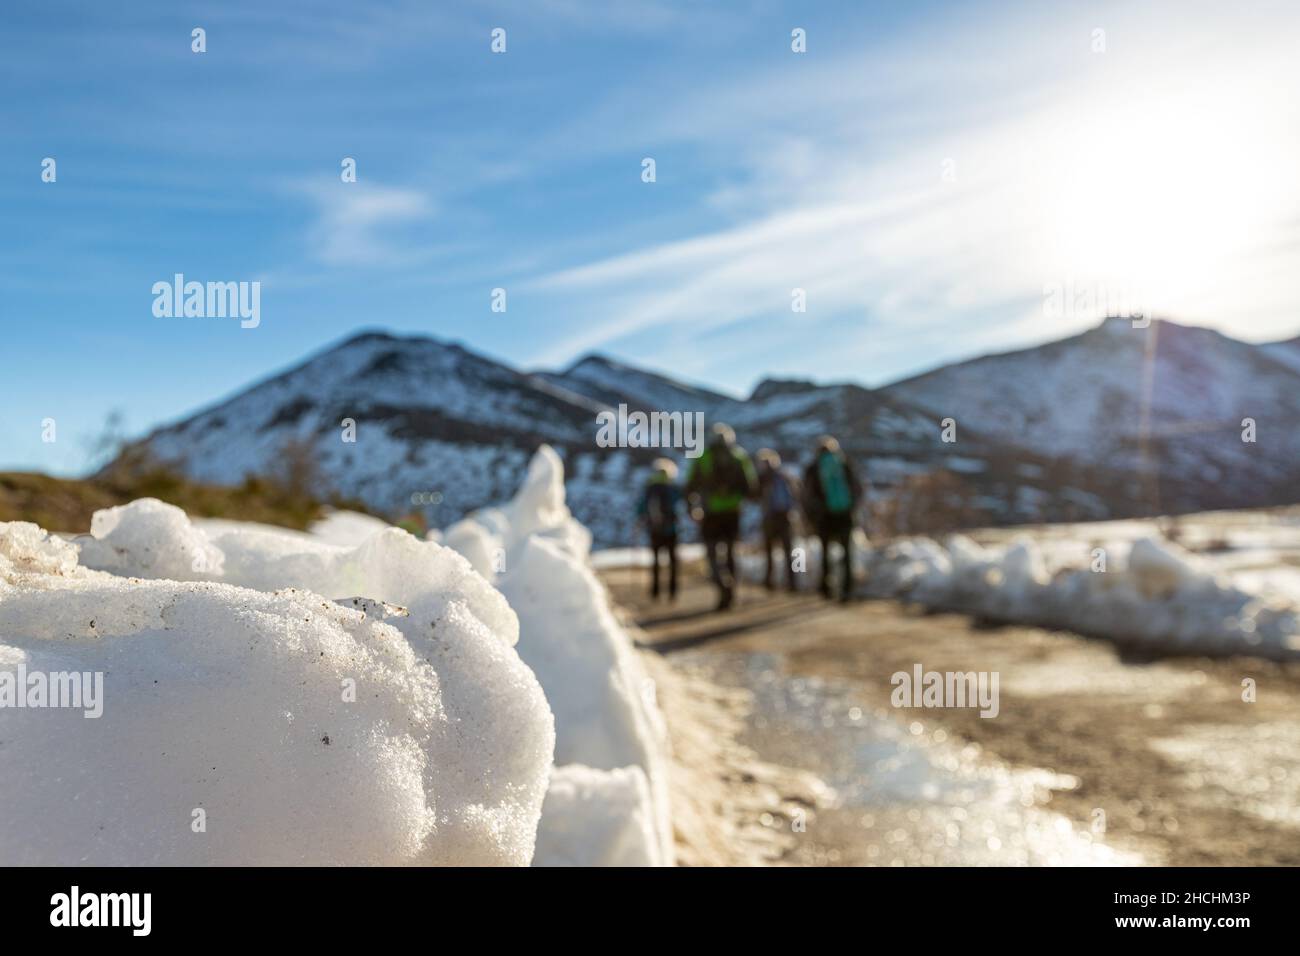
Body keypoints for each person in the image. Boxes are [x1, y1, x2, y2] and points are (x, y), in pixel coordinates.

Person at [686, 423, 757, 610]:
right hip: (733, 512)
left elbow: (690, 485)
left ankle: (721, 585)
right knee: (731, 552)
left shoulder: (702, 456)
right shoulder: (739, 456)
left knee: (712, 553)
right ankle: (731, 590)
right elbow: (750, 486)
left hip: (710, 512)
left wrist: (691, 508)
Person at [802, 435, 861, 602]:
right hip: (845, 515)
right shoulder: (843, 463)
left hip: (824, 517)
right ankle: (847, 588)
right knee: (847, 553)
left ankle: (826, 588)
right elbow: (857, 488)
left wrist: (811, 515)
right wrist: (851, 508)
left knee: (826, 552)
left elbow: (807, 495)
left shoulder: (813, 468)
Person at [636, 458, 682, 601]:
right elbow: (679, 503)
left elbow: (641, 507)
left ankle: (655, 591)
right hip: (671, 529)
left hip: (654, 529)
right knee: (673, 561)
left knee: (656, 560)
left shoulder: (650, 487)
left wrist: (641, 520)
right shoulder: (672, 487)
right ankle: (672, 591)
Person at [755, 449, 798, 592]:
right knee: (788, 550)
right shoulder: (785, 476)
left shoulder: (762, 478)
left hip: (770, 517)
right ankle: (792, 582)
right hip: (785, 516)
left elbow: (754, 496)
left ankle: (769, 581)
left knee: (769, 551)